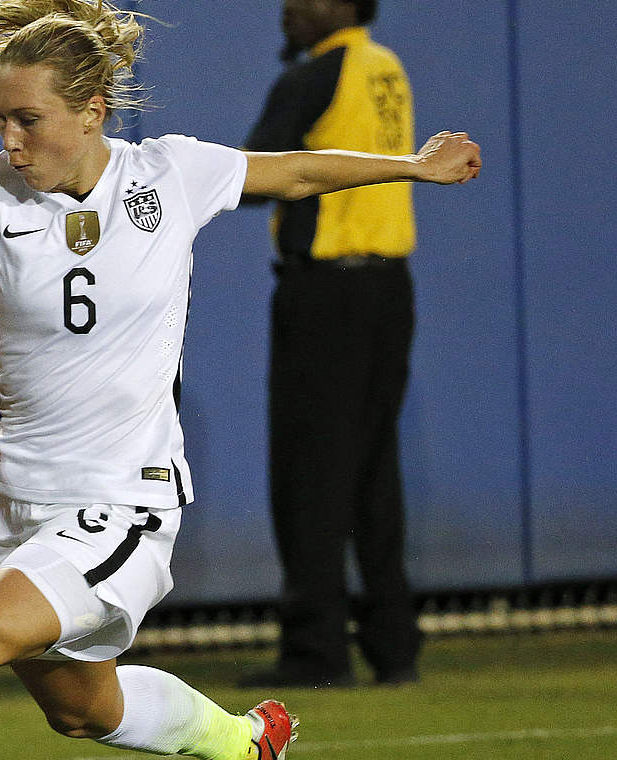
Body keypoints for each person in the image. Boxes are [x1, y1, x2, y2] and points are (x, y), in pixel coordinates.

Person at [0, 1, 478, 758]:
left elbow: (298, 171)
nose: (10, 141)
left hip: (122, 499)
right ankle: (244, 743)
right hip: (16, 499)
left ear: (91, 113)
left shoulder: (166, 173)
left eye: (28, 119)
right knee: (82, 710)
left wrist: (410, 165)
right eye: (0, 120)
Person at [241, 0, 427, 688]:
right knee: (375, 470)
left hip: (326, 295)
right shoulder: (387, 67)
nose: (290, 8)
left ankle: (316, 651)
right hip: (390, 289)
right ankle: (394, 645)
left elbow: (253, 179)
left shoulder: (314, 76)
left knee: (310, 473)